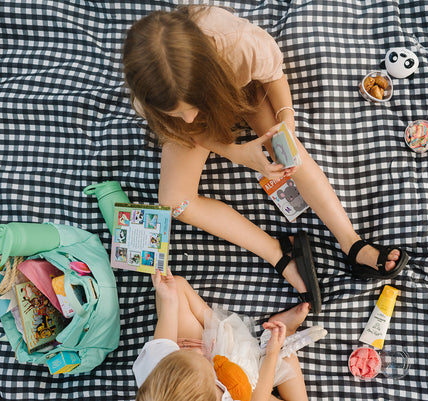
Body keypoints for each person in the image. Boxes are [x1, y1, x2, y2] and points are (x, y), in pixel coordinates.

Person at [122, 5, 408, 312]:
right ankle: (278, 251)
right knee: (176, 203)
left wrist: (286, 126)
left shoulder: (242, 44)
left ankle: (352, 243)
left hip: (244, 90)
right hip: (211, 119)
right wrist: (233, 151)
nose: (188, 117)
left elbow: (274, 78)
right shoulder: (149, 90)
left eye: (191, 104)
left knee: (288, 152)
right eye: (177, 111)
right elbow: (188, 128)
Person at [133, 268, 312, 401]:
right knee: (282, 359)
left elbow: (164, 337)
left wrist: (169, 299)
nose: (197, 353)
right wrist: (272, 354)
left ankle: (223, 330)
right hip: (242, 391)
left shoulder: (156, 371)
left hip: (212, 361)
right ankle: (285, 334)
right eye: (203, 362)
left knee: (175, 288)